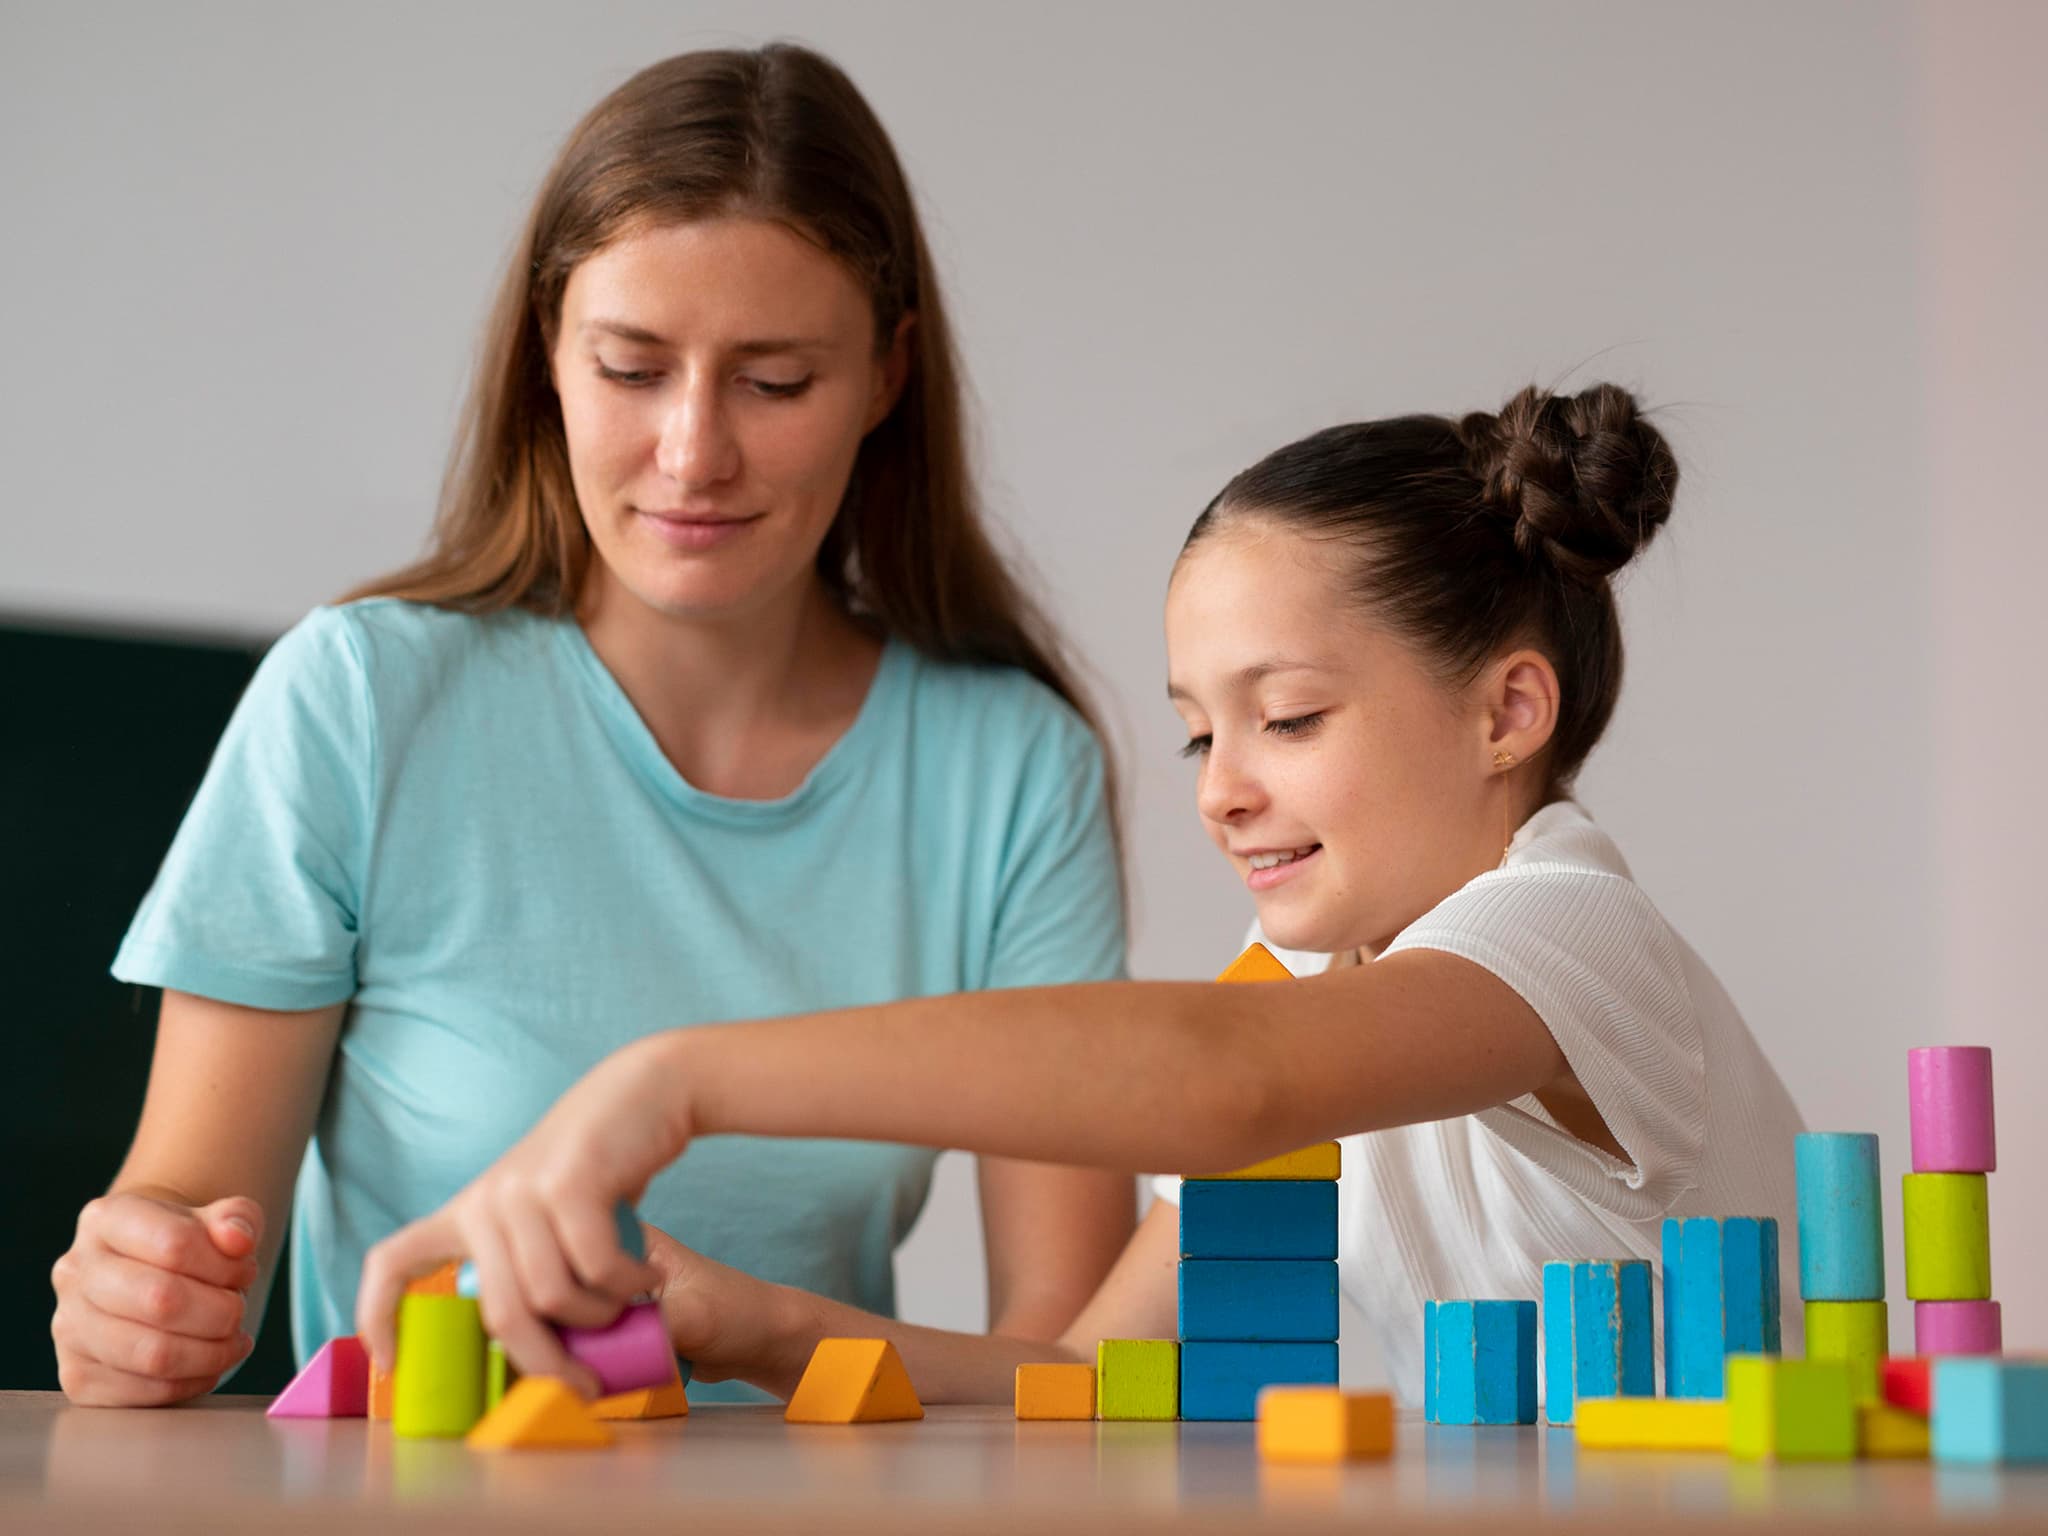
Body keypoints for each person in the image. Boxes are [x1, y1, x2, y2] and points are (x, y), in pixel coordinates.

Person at [50, 43, 1137, 1408]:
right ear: (546, 361)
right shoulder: (360, 699)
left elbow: (1071, 1367)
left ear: (886, 376)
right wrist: (139, 1298)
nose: (693, 453)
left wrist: (770, 1332)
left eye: (776, 381)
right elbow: (183, 1219)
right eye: (631, 368)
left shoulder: (1012, 768)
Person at [359, 383, 1807, 1406]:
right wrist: (759, 1327)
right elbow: (1082, 1385)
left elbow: (1219, 1081)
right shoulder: (1304, 1003)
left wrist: (673, 1081)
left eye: (1287, 718)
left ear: (1508, 714)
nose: (1221, 789)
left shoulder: (1567, 932)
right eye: (1198, 732)